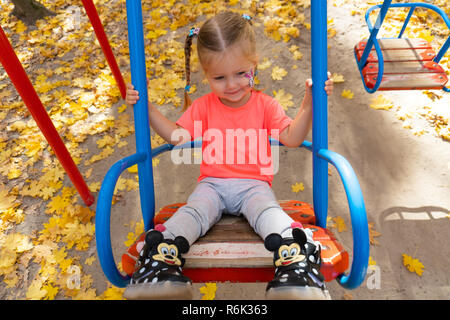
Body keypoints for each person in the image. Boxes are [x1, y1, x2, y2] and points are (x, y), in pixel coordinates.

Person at [123, 11, 334, 300]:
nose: (232, 85)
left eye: (240, 73)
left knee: (268, 213)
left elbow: (293, 138)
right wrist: (147, 108)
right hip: (212, 184)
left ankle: (297, 263)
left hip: (253, 186)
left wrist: (310, 103)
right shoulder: (204, 106)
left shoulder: (266, 106)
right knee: (194, 211)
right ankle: (160, 261)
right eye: (220, 78)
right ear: (205, 75)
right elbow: (176, 137)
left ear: (253, 65)